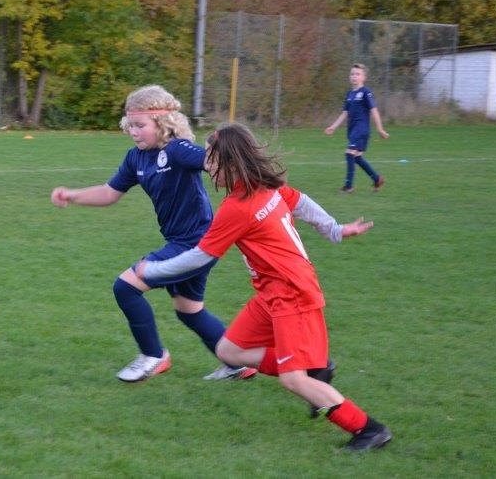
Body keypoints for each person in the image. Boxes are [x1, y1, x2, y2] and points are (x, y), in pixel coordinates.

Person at [51, 85, 345, 389]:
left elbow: (218, 162)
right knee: (189, 311)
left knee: (125, 287)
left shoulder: (178, 150)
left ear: (162, 123)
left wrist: (250, 175)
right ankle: (241, 365)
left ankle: (153, 355)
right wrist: (73, 195)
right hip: (178, 241)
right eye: (130, 125)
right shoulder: (135, 158)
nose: (133, 132)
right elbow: (109, 193)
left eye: (140, 125)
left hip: (197, 242)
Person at [137, 122, 392, 451]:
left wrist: (154, 271)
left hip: (292, 294)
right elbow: (301, 201)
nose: (207, 166)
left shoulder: (237, 207)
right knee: (229, 351)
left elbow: (200, 257)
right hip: (272, 292)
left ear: (232, 163)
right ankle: (314, 368)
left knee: (293, 380)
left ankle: (368, 430)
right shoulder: (264, 186)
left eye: (212, 160)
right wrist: (333, 229)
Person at [324, 63, 390, 193]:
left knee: (349, 153)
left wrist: (380, 129)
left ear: (364, 77)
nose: (354, 76)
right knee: (357, 157)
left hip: (361, 129)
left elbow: (374, 111)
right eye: (352, 74)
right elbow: (345, 113)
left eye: (358, 74)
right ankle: (377, 179)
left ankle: (348, 186)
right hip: (353, 129)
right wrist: (333, 126)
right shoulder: (350, 94)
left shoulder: (366, 92)